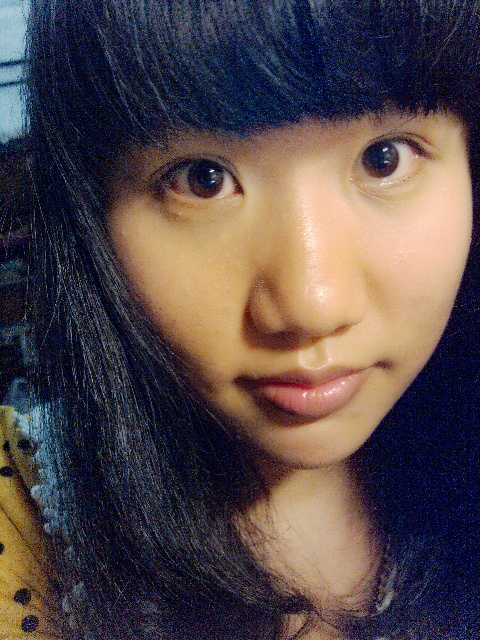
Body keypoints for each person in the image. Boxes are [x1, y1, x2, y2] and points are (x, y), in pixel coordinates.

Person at [0, 0, 478, 637]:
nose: (312, 305)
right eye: (203, 180)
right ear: (90, 209)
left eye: (383, 158)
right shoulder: (20, 523)